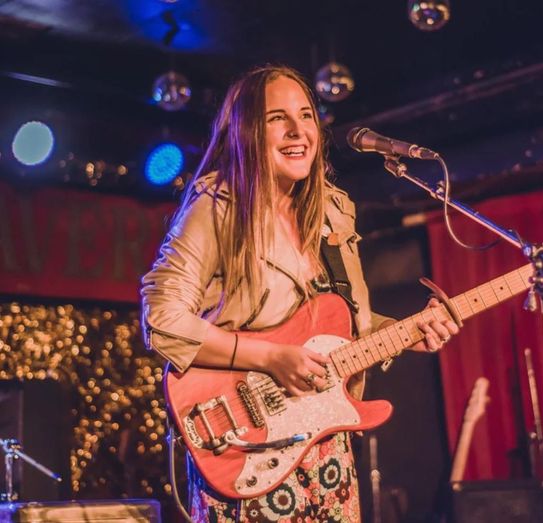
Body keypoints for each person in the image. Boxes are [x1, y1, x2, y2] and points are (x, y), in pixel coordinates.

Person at [140, 65, 459, 522]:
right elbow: (162, 319)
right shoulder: (217, 208)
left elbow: (341, 328)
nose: (297, 130)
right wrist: (270, 358)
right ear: (247, 132)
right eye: (277, 118)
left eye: (306, 115)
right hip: (247, 443)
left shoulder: (332, 212)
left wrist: (407, 332)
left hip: (325, 448)